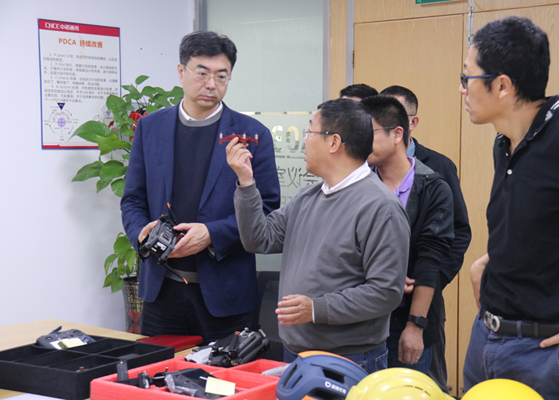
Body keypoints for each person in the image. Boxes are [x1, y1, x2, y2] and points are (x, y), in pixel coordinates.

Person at [461, 16, 559, 399]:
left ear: (502, 86)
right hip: (486, 336)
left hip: (548, 353)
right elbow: (548, 225)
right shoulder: (505, 142)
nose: (462, 89)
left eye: (467, 78)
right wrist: (491, 261)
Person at [226, 98, 410, 373]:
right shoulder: (308, 196)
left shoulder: (380, 206)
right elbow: (259, 239)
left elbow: (386, 292)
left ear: (334, 142)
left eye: (310, 131)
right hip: (296, 350)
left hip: (349, 357)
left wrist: (316, 308)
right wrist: (246, 181)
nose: (304, 140)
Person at [120, 31, 280, 342]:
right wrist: (140, 232)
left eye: (221, 76)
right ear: (182, 72)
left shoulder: (252, 134)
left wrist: (212, 234)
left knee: (224, 373)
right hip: (162, 290)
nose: (211, 84)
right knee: (159, 370)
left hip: (225, 294)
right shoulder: (150, 127)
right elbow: (133, 199)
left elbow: (267, 210)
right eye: (202, 73)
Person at [380, 85, 471, 391]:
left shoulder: (438, 169)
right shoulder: (367, 171)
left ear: (410, 124)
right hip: (374, 312)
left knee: (424, 385)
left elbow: (458, 234)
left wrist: (428, 283)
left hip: (420, 305)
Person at [361, 95, 454, 379]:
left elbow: (431, 258)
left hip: (407, 319)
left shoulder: (432, 186)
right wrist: (383, 280)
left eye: (369, 133)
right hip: (361, 321)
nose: (360, 142)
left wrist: (415, 325)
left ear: (397, 134)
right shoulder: (359, 184)